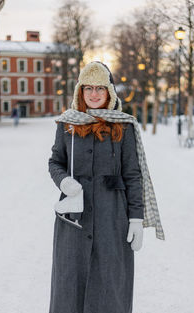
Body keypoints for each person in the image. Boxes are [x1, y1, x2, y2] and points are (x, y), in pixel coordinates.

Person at [48, 61, 164, 313]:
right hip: (73, 220)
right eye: (88, 87)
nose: (94, 94)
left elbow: (133, 175)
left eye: (100, 88)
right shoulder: (66, 124)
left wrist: (135, 217)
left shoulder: (123, 126)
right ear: (80, 91)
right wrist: (63, 181)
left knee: (111, 284)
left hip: (112, 219)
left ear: (110, 92)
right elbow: (55, 162)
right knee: (70, 284)